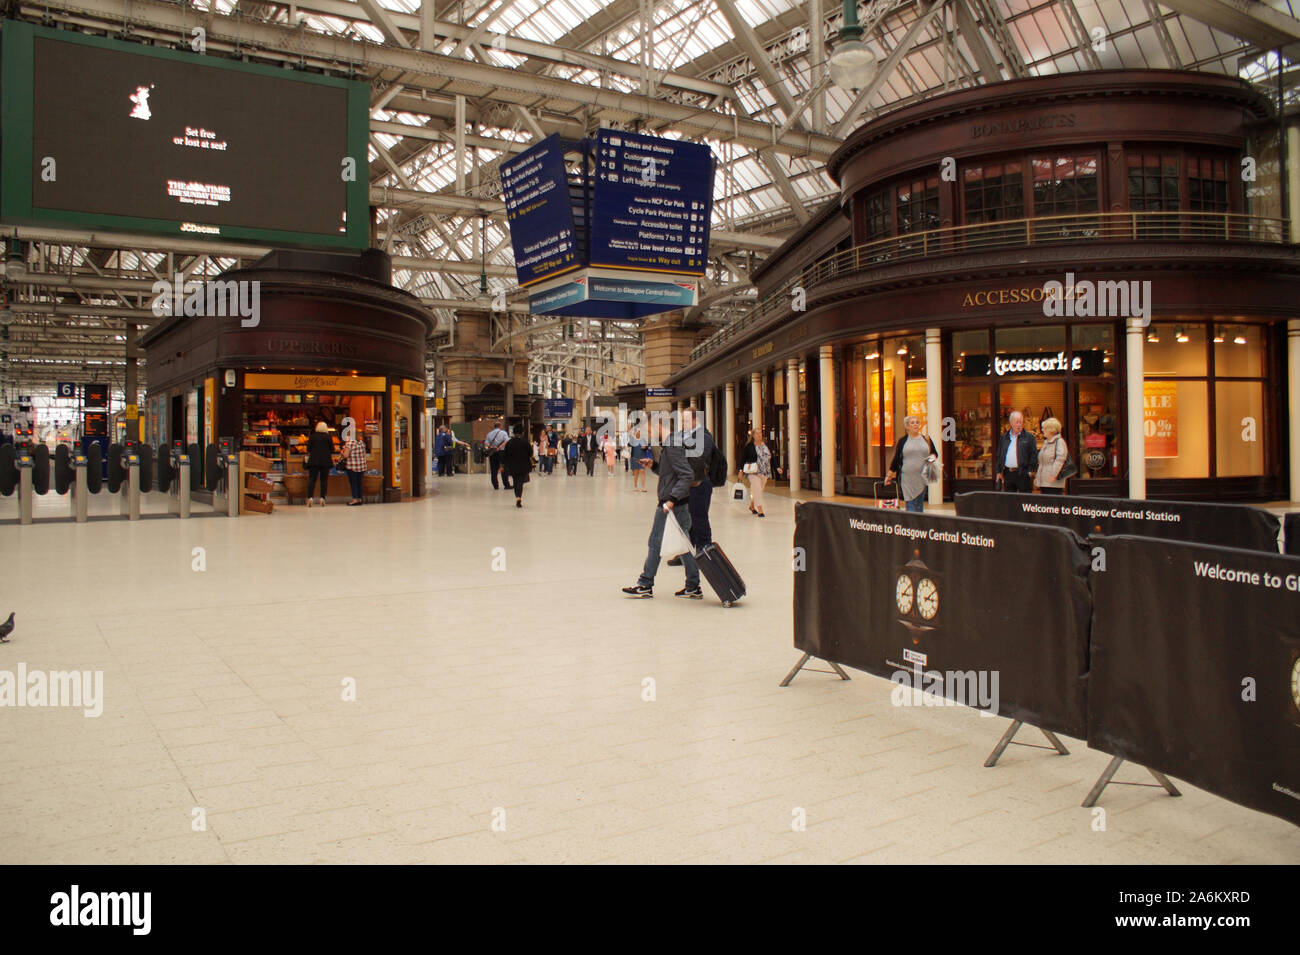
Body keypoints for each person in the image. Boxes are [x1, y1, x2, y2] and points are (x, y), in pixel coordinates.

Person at [621, 419, 702, 599]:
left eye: (649, 430)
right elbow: (672, 473)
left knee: (655, 542)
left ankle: (645, 584)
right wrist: (654, 466)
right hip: (677, 501)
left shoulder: (672, 445)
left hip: (670, 503)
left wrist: (672, 498)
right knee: (684, 544)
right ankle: (693, 585)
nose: (649, 434)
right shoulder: (671, 444)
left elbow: (686, 475)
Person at [667, 408, 715, 567]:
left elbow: (699, 457)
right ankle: (686, 554)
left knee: (699, 518)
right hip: (689, 483)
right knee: (688, 521)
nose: (683, 424)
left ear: (695, 420)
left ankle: (704, 551)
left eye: (686, 421)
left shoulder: (704, 437)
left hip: (700, 483)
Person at [887, 415, 939, 513]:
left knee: (919, 504)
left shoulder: (926, 439)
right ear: (907, 426)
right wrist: (889, 474)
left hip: (921, 477)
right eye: (912, 423)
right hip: (907, 478)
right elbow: (897, 458)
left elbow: (935, 454)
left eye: (917, 422)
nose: (915, 424)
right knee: (910, 503)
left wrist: (930, 461)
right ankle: (912, 525)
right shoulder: (903, 441)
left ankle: (917, 525)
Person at [994, 410, 1037, 493]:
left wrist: (1029, 471)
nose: (1019, 425)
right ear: (1011, 423)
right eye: (1017, 422)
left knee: (1025, 501)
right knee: (1010, 500)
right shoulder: (1004, 437)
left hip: (1023, 473)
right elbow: (999, 455)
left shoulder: (1029, 438)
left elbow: (1033, 455)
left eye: (1021, 422)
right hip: (1008, 473)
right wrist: (999, 471)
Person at [742, 430, 775, 517]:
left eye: (760, 433)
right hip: (753, 471)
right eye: (757, 433)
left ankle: (752, 505)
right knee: (757, 488)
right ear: (753, 435)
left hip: (765, 471)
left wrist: (777, 467)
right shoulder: (749, 446)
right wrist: (740, 470)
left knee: (759, 490)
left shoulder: (765, 445)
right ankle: (760, 509)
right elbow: (743, 458)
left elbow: (772, 457)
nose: (759, 435)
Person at [1034, 417, 1069, 495]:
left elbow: (1060, 460)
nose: (1042, 430)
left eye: (1044, 428)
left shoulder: (1059, 442)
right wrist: (1038, 478)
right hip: (1044, 482)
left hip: (1053, 482)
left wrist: (1053, 475)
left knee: (1053, 504)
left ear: (1051, 430)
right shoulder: (1046, 442)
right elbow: (1042, 463)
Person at [502, 424, 533, 508]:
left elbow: (505, 455)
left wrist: (504, 465)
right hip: (523, 466)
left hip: (512, 466)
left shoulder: (509, 442)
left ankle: (517, 497)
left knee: (515, 482)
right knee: (520, 482)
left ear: (514, 432)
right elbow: (530, 453)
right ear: (522, 432)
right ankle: (519, 497)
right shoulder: (525, 442)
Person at [338, 429, 369, 506]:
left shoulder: (349, 443)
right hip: (361, 466)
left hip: (352, 466)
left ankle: (355, 499)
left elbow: (346, 455)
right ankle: (359, 499)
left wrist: (341, 451)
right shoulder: (361, 442)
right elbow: (364, 454)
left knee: (353, 483)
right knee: (359, 483)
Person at [305, 420, 333, 507]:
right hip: (325, 461)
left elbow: (308, 449)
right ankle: (322, 498)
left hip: (314, 461)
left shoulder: (313, 436)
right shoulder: (328, 437)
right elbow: (332, 449)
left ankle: (310, 498)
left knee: (312, 480)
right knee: (324, 480)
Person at [484, 418, 511, 490]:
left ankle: (495, 485)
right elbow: (506, 441)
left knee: (494, 469)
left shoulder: (489, 434)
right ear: (500, 426)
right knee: (503, 468)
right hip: (501, 453)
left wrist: (491, 447)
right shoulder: (503, 433)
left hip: (492, 453)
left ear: (494, 426)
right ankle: (506, 484)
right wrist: (499, 447)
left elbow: (486, 443)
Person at [628, 424, 649, 493]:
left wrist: (645, 447)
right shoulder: (633, 440)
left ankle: (643, 487)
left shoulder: (644, 439)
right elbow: (629, 444)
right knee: (636, 472)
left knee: (642, 471)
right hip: (634, 457)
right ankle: (635, 486)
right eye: (638, 431)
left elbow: (647, 448)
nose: (639, 433)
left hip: (642, 457)